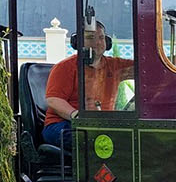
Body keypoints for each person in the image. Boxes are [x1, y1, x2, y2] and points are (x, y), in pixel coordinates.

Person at [43, 22, 133, 150]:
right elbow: (53, 100)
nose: (97, 42)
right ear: (77, 42)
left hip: (100, 125)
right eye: (90, 38)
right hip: (63, 125)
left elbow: (145, 69)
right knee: (95, 141)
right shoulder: (65, 67)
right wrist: (78, 117)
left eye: (101, 38)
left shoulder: (115, 65)